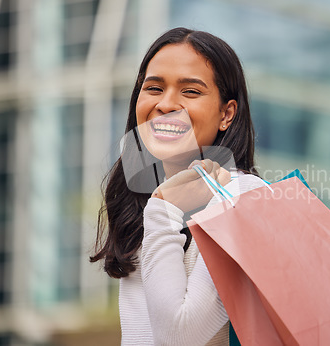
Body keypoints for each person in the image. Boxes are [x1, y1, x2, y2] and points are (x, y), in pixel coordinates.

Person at [90, 27, 265, 345]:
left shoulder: (242, 196)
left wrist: (164, 209)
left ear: (227, 114)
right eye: (154, 88)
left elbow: (179, 336)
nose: (166, 104)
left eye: (191, 92)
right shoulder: (139, 209)